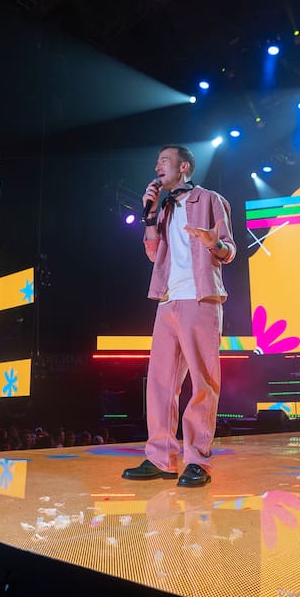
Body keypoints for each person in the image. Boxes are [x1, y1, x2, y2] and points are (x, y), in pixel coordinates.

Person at [122, 145, 235, 488]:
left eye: (165, 161)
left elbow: (228, 250)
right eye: (156, 161)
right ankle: (160, 457)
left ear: (184, 166)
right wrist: (150, 215)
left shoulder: (210, 199)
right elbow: (153, 253)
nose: (158, 166)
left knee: (202, 381)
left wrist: (212, 244)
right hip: (167, 300)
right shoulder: (165, 208)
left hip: (200, 298)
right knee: (160, 384)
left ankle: (196, 460)